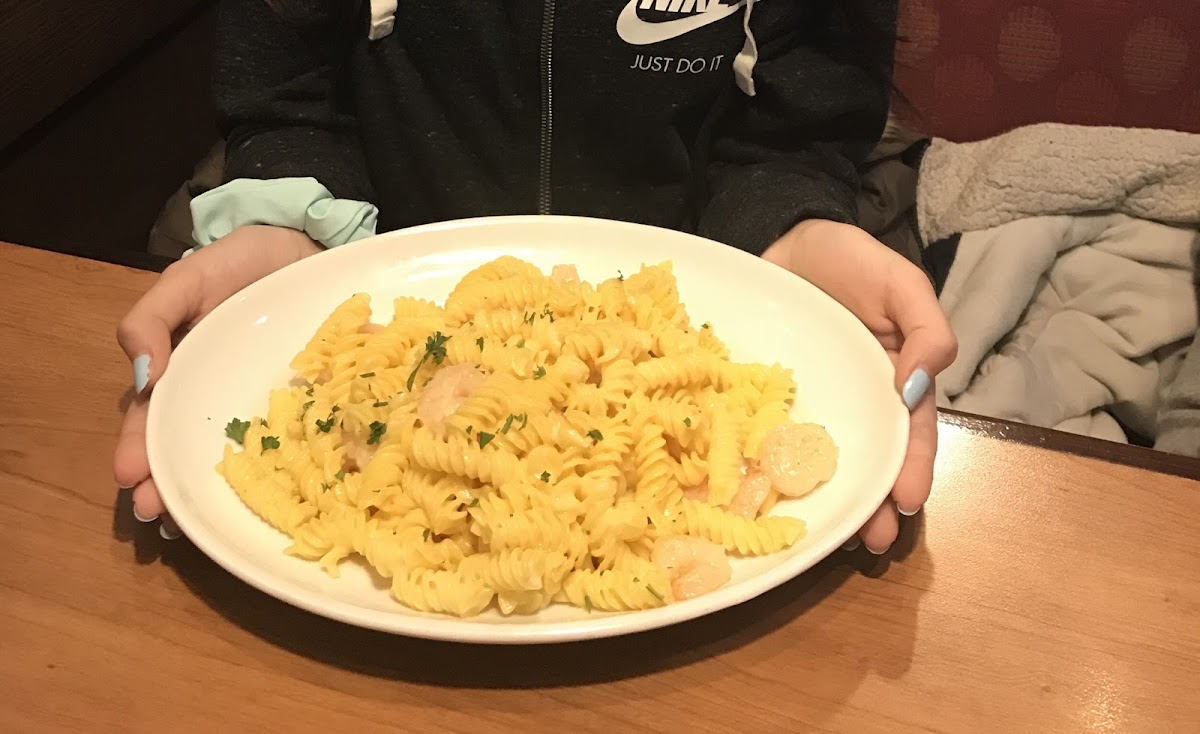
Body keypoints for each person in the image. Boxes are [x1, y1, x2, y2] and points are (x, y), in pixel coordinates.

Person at [114, 0, 956, 555]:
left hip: (670, 365)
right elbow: (291, 98)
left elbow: (788, 134)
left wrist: (794, 231)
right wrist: (286, 223)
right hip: (395, 368)